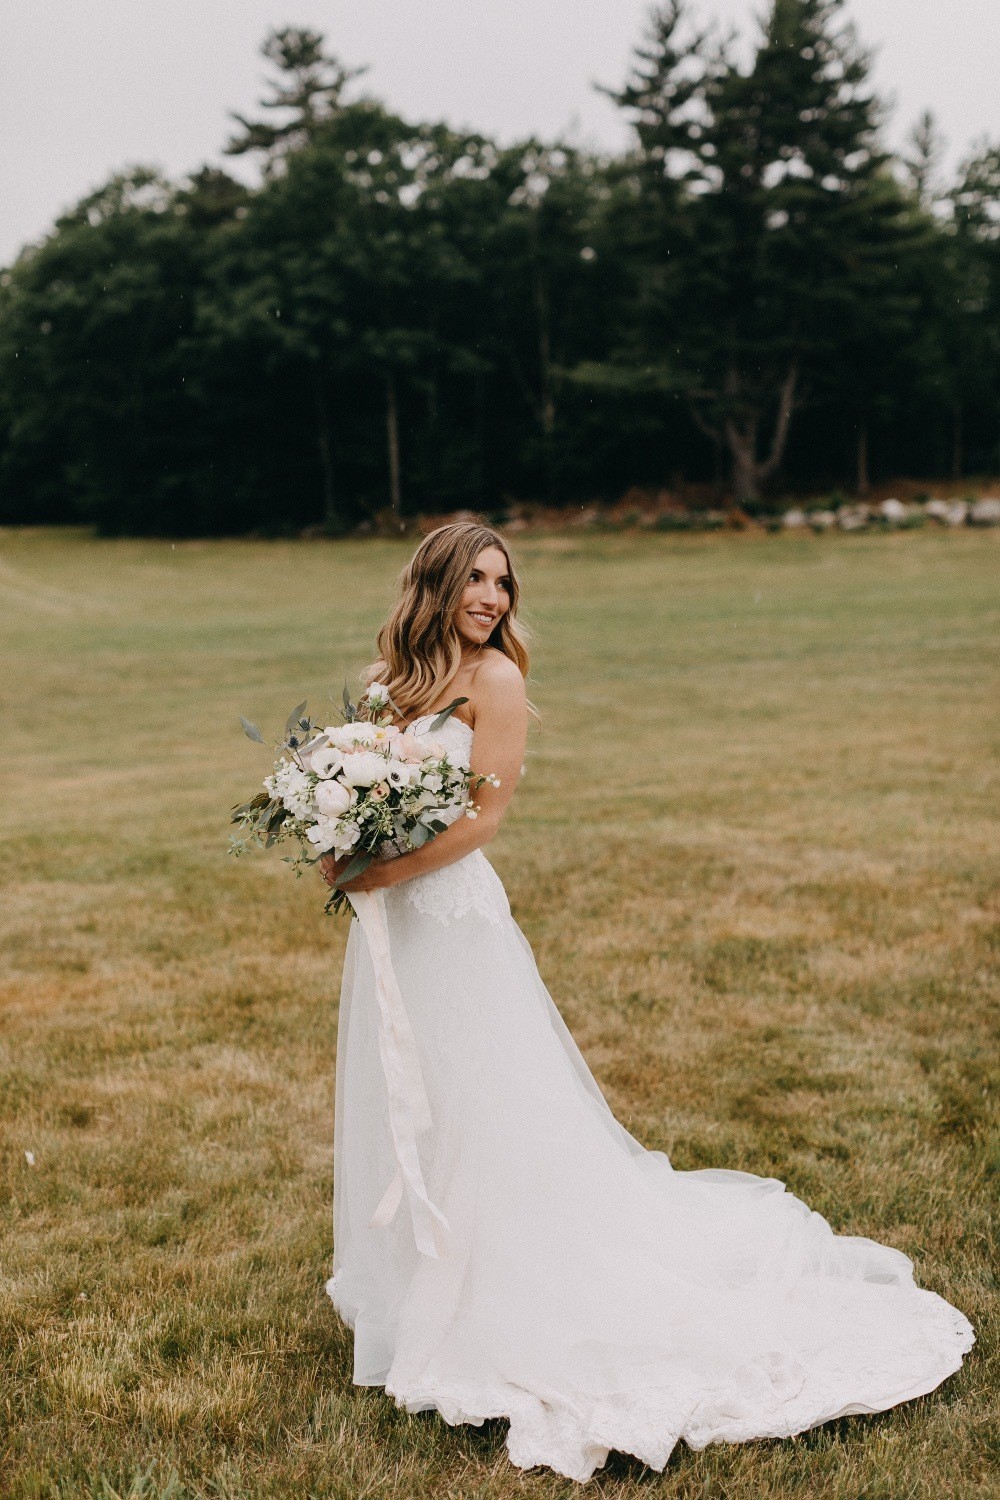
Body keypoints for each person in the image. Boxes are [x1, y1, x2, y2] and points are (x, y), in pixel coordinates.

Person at [319, 520, 973, 1483]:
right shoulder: (389, 682)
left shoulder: (495, 681)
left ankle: (507, 1288)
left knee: (487, 1101)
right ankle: (430, 1278)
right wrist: (338, 837)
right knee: (417, 1092)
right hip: (396, 927)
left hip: (451, 919)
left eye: (505, 584)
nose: (494, 600)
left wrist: (381, 872)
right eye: (477, 581)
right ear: (435, 583)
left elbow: (485, 818)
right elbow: (359, 791)